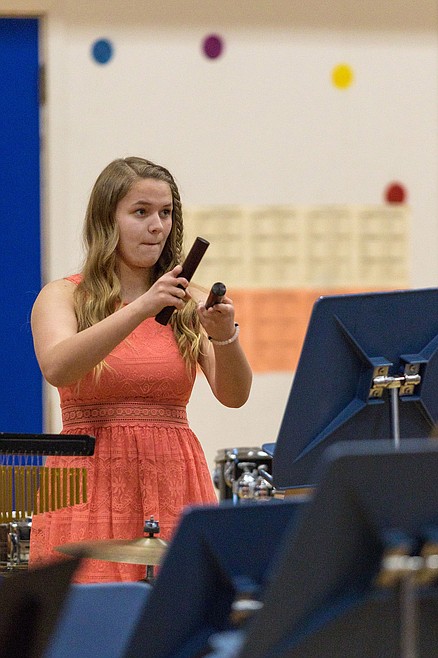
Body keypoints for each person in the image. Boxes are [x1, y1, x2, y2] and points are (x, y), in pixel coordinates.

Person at [29, 156, 252, 583]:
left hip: (173, 475)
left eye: (165, 213)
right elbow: (57, 367)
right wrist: (141, 308)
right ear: (106, 221)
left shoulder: (187, 299)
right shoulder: (64, 296)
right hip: (87, 480)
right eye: (141, 212)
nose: (157, 226)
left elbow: (235, 395)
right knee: (92, 614)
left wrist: (225, 336)